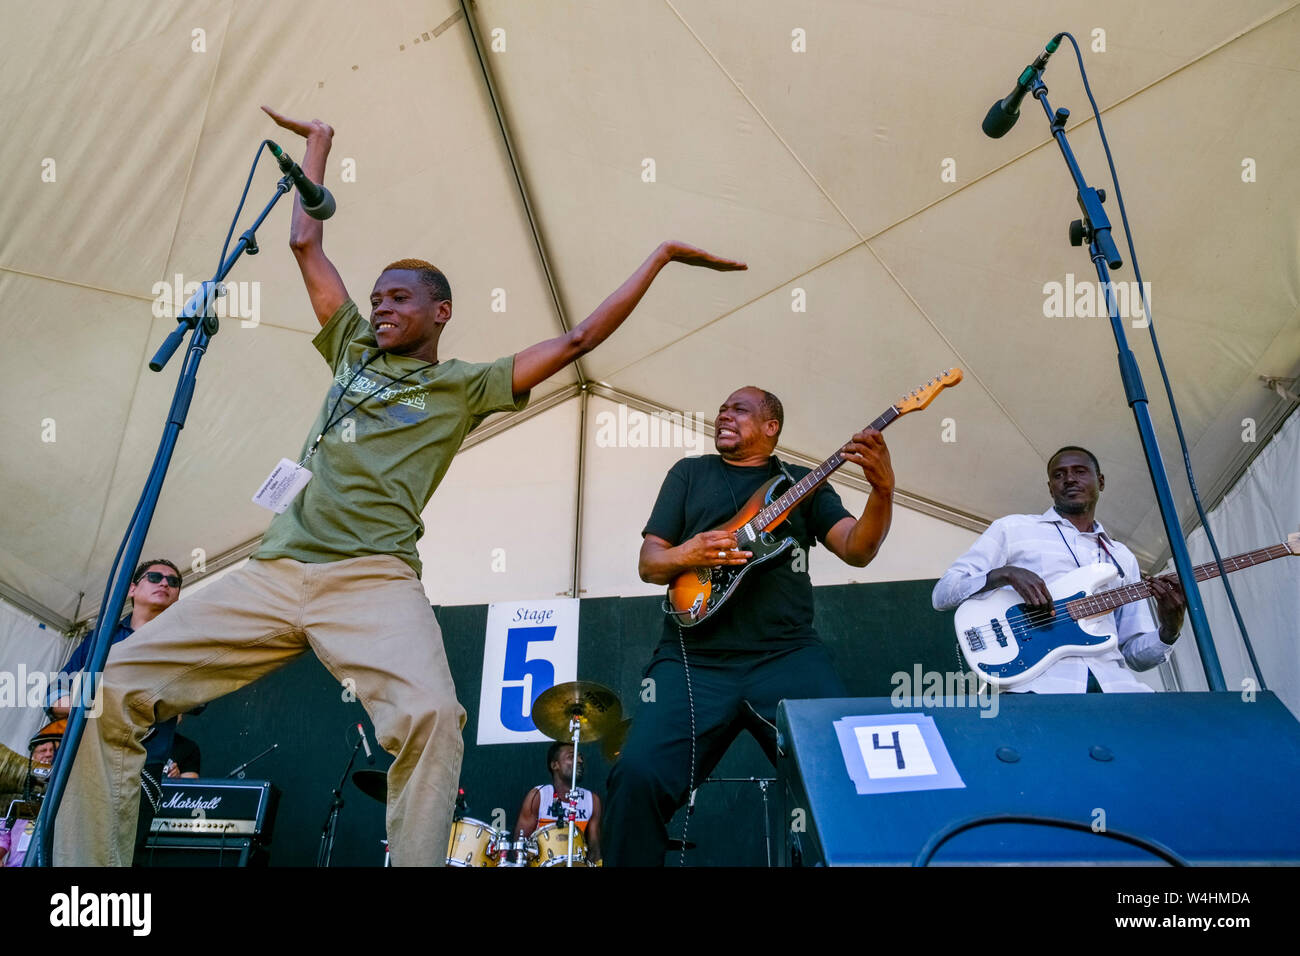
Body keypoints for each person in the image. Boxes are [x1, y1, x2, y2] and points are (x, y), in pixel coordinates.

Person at [51, 106, 745, 867]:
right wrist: (317, 150)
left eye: (399, 299)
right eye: (376, 297)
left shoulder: (462, 385)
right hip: (275, 572)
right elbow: (303, 241)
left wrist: (658, 257)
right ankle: (90, 892)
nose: (380, 306)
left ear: (439, 313)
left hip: (371, 580)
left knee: (430, 718)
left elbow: (577, 340)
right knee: (111, 684)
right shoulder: (348, 347)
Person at [603, 386, 894, 866]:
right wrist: (688, 553)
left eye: (739, 409)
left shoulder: (803, 482)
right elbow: (651, 563)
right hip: (692, 659)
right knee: (635, 775)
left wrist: (882, 490)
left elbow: (857, 549)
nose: (724, 415)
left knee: (848, 772)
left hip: (787, 656)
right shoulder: (689, 474)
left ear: (771, 426)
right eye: (721, 409)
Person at [931, 446, 1186, 693]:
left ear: (1101, 482)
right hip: (1040, 687)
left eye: (1080, 471)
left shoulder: (1121, 557)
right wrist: (1003, 573)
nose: (1069, 479)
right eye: (1059, 475)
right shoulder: (1012, 529)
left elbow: (1134, 655)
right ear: (1050, 488)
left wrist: (1169, 631)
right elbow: (943, 593)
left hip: (1114, 688)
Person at [512, 742, 602, 864]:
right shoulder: (539, 796)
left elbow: (594, 850)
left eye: (580, 756)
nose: (580, 760)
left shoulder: (592, 800)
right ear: (555, 765)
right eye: (571, 756)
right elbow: (520, 846)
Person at [0, 721, 65, 867]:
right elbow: (3, 838)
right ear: (32, 757)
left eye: (53, 750)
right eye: (43, 751)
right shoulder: (16, 799)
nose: (48, 754)